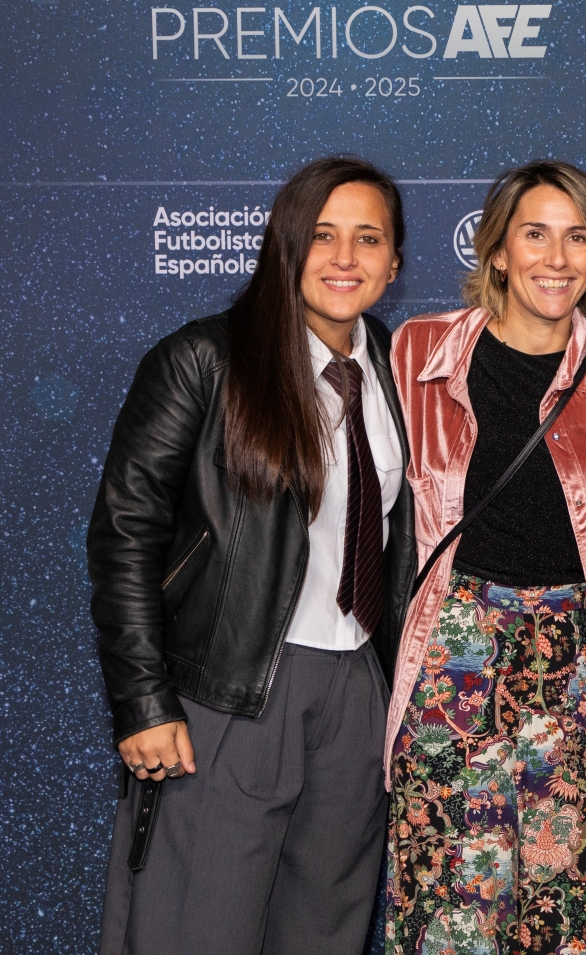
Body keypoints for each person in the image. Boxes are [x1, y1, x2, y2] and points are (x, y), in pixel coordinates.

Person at [90, 157, 413, 955]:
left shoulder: (394, 366)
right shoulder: (205, 359)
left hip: (356, 690)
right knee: (197, 928)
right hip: (228, 689)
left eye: (368, 238)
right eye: (322, 236)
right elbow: (126, 533)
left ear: (395, 262)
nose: (344, 258)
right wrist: (143, 700)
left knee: (324, 931)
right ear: (283, 247)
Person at [380, 160, 586, 954]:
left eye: (577, 237)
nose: (556, 258)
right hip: (453, 661)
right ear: (497, 250)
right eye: (535, 235)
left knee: (562, 915)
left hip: (575, 669)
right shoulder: (418, 353)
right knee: (448, 914)